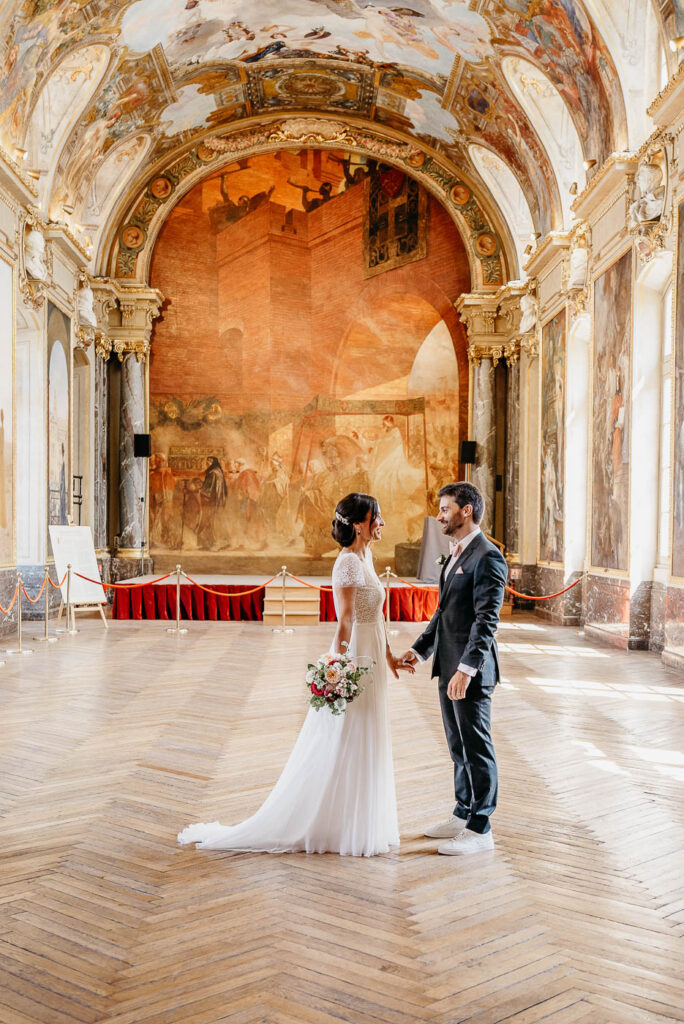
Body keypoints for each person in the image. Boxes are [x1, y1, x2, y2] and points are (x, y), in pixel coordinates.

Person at [178, 492, 413, 856]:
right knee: (348, 734)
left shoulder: (366, 555)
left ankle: (355, 821)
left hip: (374, 657)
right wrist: (339, 667)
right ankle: (334, 824)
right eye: (375, 517)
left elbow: (375, 617)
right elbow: (347, 618)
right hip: (356, 659)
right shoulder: (348, 562)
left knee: (366, 733)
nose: (381, 523)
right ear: (357, 525)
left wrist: (391, 657)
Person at [402, 482, 508, 856]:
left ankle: (481, 828)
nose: (440, 515)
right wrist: (419, 650)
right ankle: (463, 813)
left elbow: (486, 621)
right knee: (457, 746)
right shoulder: (457, 554)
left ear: (467, 511)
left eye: (446, 509)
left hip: (470, 673)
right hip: (448, 666)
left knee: (477, 747)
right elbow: (444, 613)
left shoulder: (487, 557)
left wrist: (468, 669)